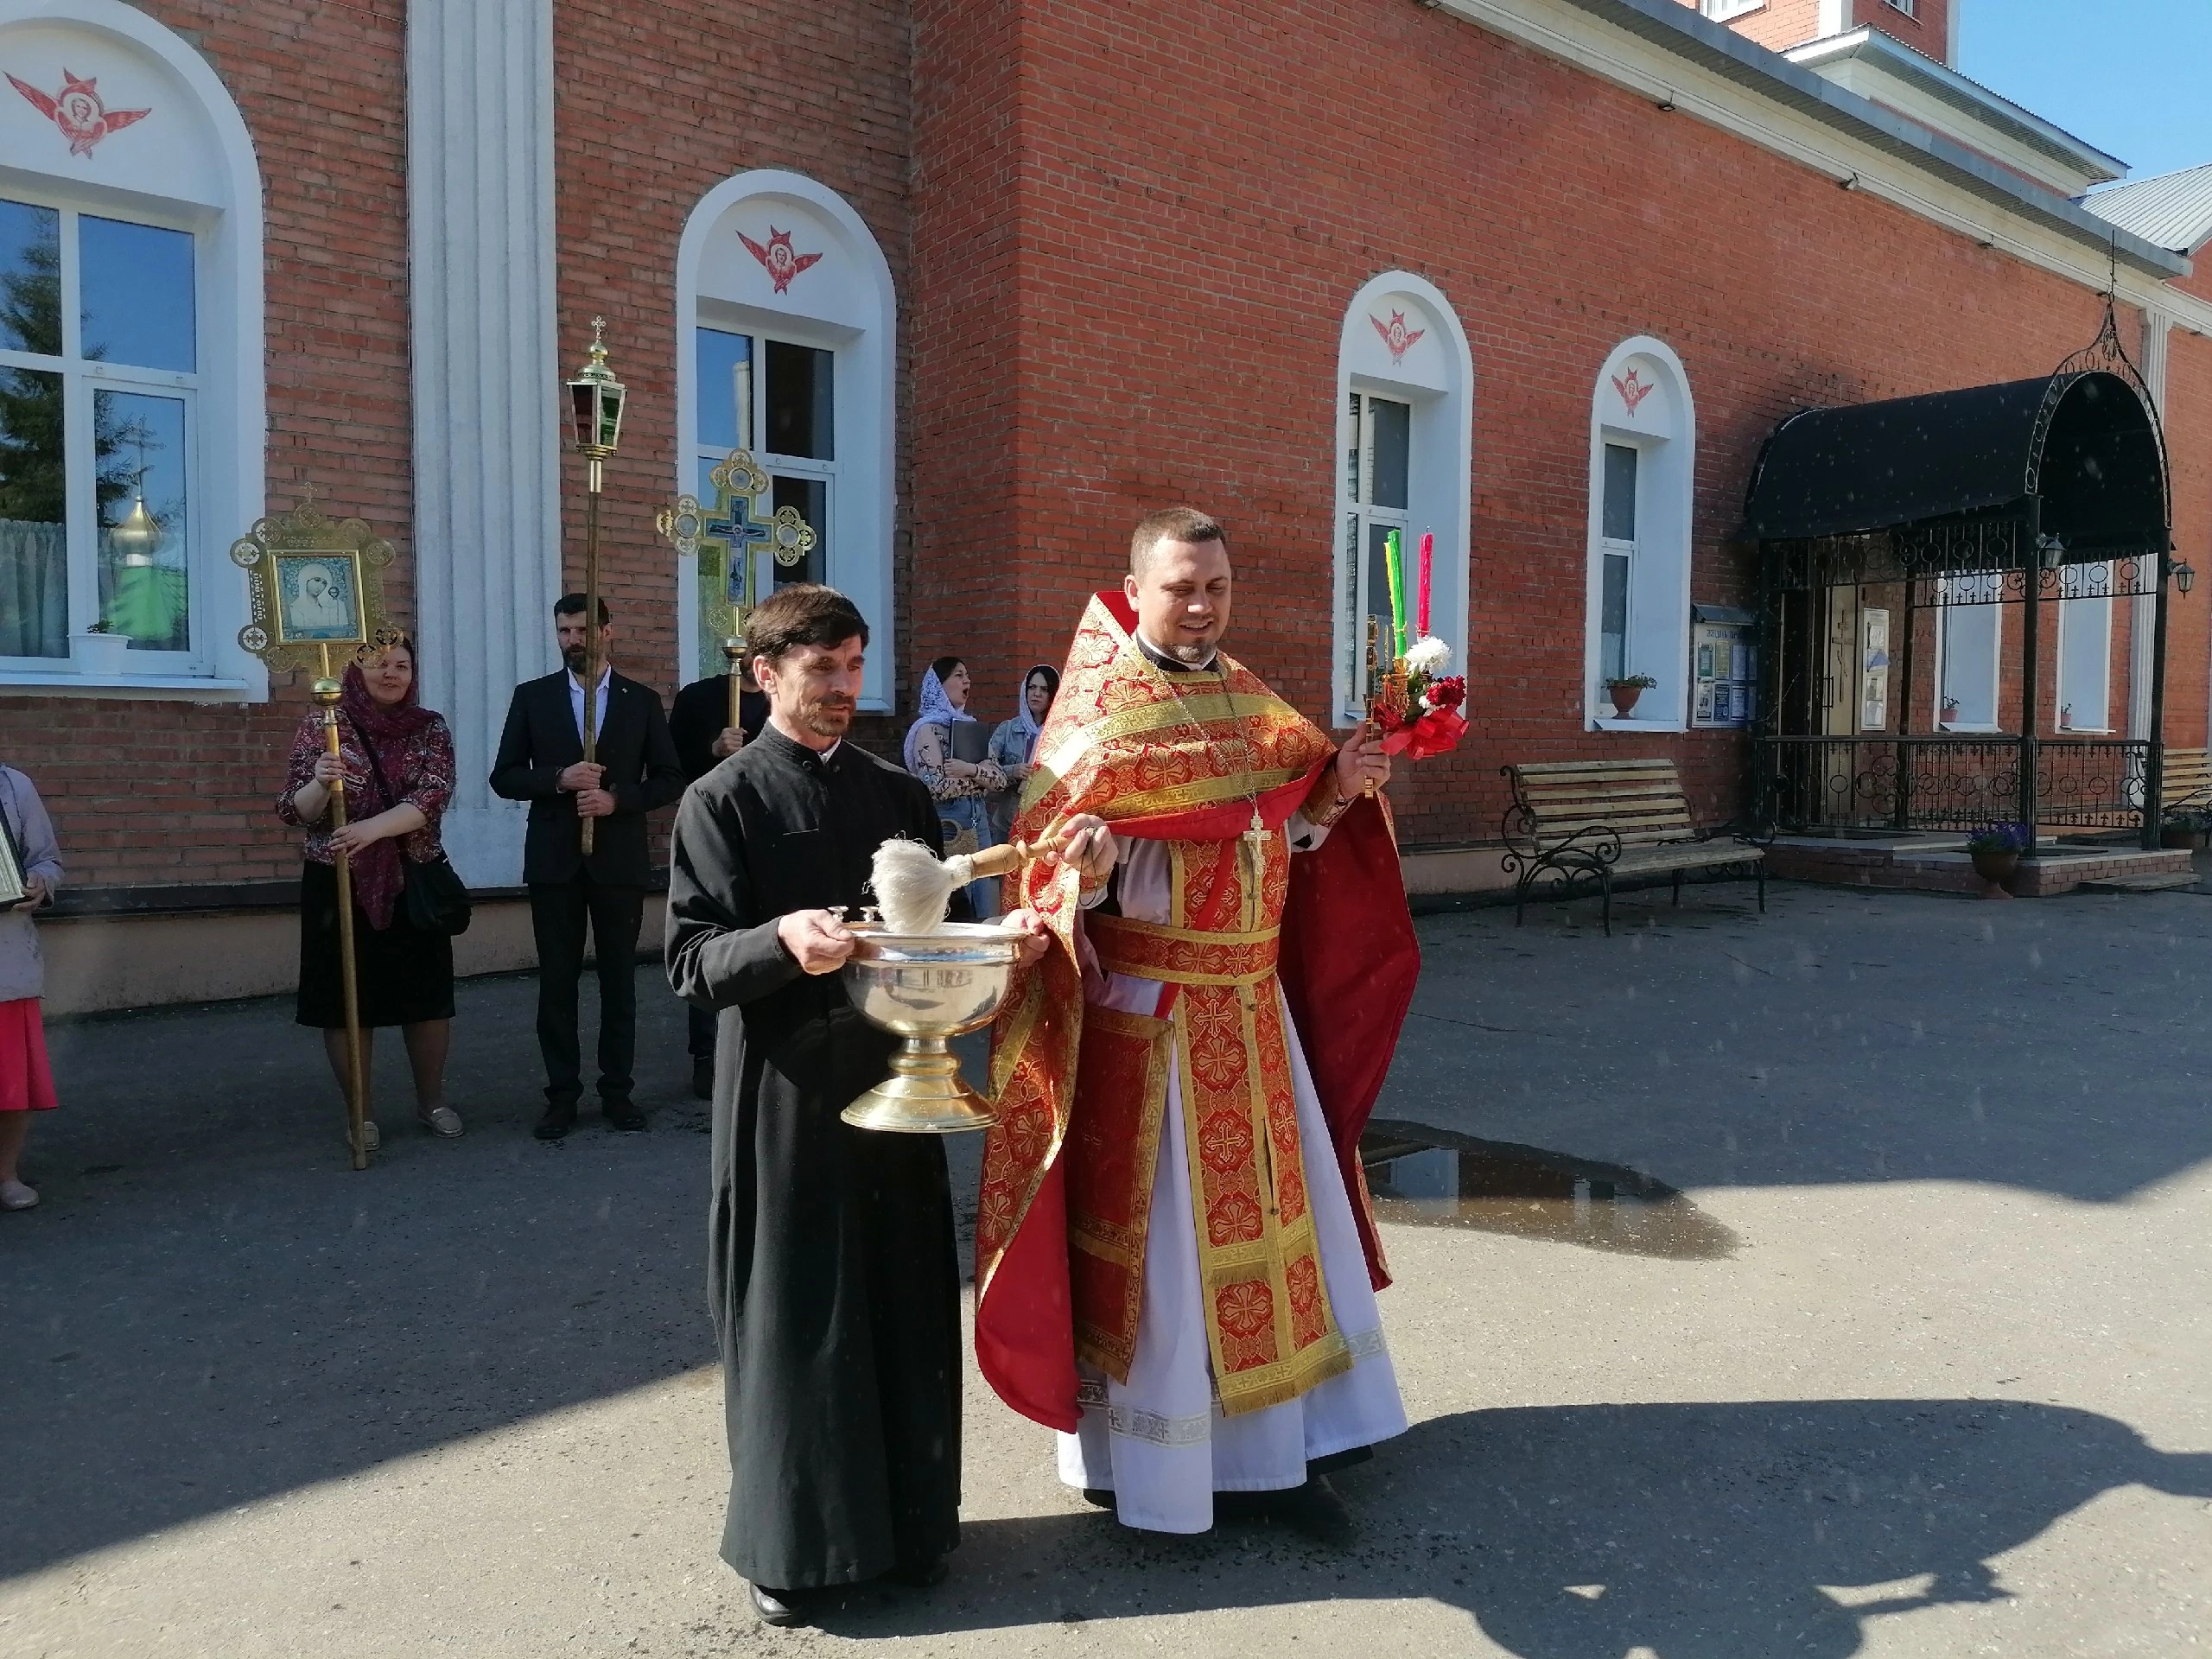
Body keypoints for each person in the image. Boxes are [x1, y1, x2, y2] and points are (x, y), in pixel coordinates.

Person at [975, 507, 1421, 1538]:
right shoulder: (1097, 721)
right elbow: (1041, 885)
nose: (1202, 605)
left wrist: (1335, 797)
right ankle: (1145, 1460)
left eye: (1216, 586)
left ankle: (1283, 1454)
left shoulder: (1247, 699)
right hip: (1156, 1026)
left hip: (1256, 1016)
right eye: (1181, 587)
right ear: (1138, 590)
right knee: (1170, 1263)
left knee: (1276, 1233)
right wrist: (1076, 875)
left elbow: (1280, 834)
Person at [664, 582, 1077, 1627]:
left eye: (854, 668)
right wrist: (779, 940)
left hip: (903, 1071)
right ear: (764, 674)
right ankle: (793, 1549)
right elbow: (689, 959)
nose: (843, 689)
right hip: (787, 1094)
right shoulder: (723, 800)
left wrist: (1005, 943)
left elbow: (939, 927)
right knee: (797, 1314)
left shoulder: (898, 793)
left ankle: (910, 1527)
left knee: (900, 1302)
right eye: (820, 671)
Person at [492, 595, 684, 1141]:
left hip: (618, 862)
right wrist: (559, 778)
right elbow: (504, 776)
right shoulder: (533, 697)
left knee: (620, 982)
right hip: (554, 862)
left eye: (581, 630)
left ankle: (618, 1092)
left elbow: (670, 777)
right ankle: (561, 1095)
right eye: (563, 631)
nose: (573, 640)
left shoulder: (640, 701)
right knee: (557, 982)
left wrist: (616, 800)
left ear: (607, 632)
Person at [276, 634, 462, 1147]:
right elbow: (295, 811)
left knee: (424, 997)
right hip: (336, 880)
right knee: (343, 999)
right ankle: (361, 1113)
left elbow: (433, 795)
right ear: (357, 670)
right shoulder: (324, 722)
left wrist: (369, 830)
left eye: (401, 665)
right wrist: (319, 781)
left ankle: (432, 1101)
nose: (391, 674)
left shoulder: (429, 728)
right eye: (380, 664)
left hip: (411, 875)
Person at [667, 666, 769, 1098]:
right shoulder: (699, 697)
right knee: (711, 944)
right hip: (715, 836)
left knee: (765, 945)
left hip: (768, 835)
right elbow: (670, 767)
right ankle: (705, 1057)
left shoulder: (781, 697)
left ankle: (763, 1052)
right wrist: (713, 749)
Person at [0, 763, 62, 1211]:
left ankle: (5, 1174)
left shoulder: (13, 785)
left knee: (9, 1077)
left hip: (6, 956)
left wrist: (42, 883)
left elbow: (46, 858)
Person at [902, 657, 1004, 917]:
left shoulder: (970, 727)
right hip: (950, 824)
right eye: (959, 675)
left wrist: (969, 769)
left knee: (986, 903)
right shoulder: (927, 730)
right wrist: (981, 779)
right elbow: (935, 787)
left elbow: (999, 780)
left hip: (979, 823)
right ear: (939, 685)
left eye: (967, 675)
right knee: (958, 902)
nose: (967, 680)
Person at [986, 664, 1059, 843]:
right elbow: (984, 771)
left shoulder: (1059, 732)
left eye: (1044, 689)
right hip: (1007, 822)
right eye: (1032, 687)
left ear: (1053, 695)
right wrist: (1013, 771)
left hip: (1045, 825)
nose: (1036, 694)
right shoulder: (1008, 729)